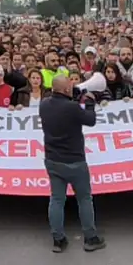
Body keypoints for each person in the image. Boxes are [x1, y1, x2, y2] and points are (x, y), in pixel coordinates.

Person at [39, 75, 104, 253]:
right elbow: (90, 120)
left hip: (53, 160)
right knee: (84, 199)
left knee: (57, 199)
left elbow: (62, 107)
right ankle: (91, 238)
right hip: (75, 161)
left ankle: (58, 240)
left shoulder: (43, 104)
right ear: (66, 89)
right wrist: (89, 102)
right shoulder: (72, 107)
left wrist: (73, 97)